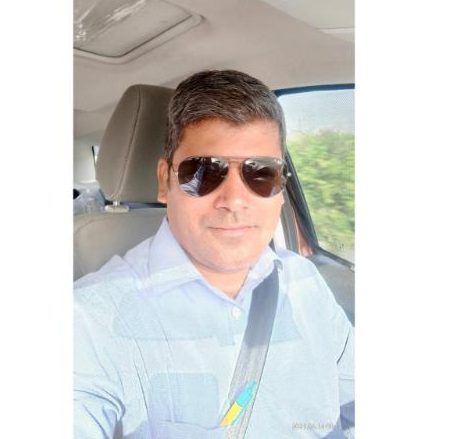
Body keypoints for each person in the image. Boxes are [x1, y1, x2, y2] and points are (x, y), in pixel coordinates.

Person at [74, 70, 354, 438]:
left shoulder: (305, 282)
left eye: (261, 174)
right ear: (165, 181)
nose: (234, 200)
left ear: (280, 186)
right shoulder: (90, 320)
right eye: (203, 172)